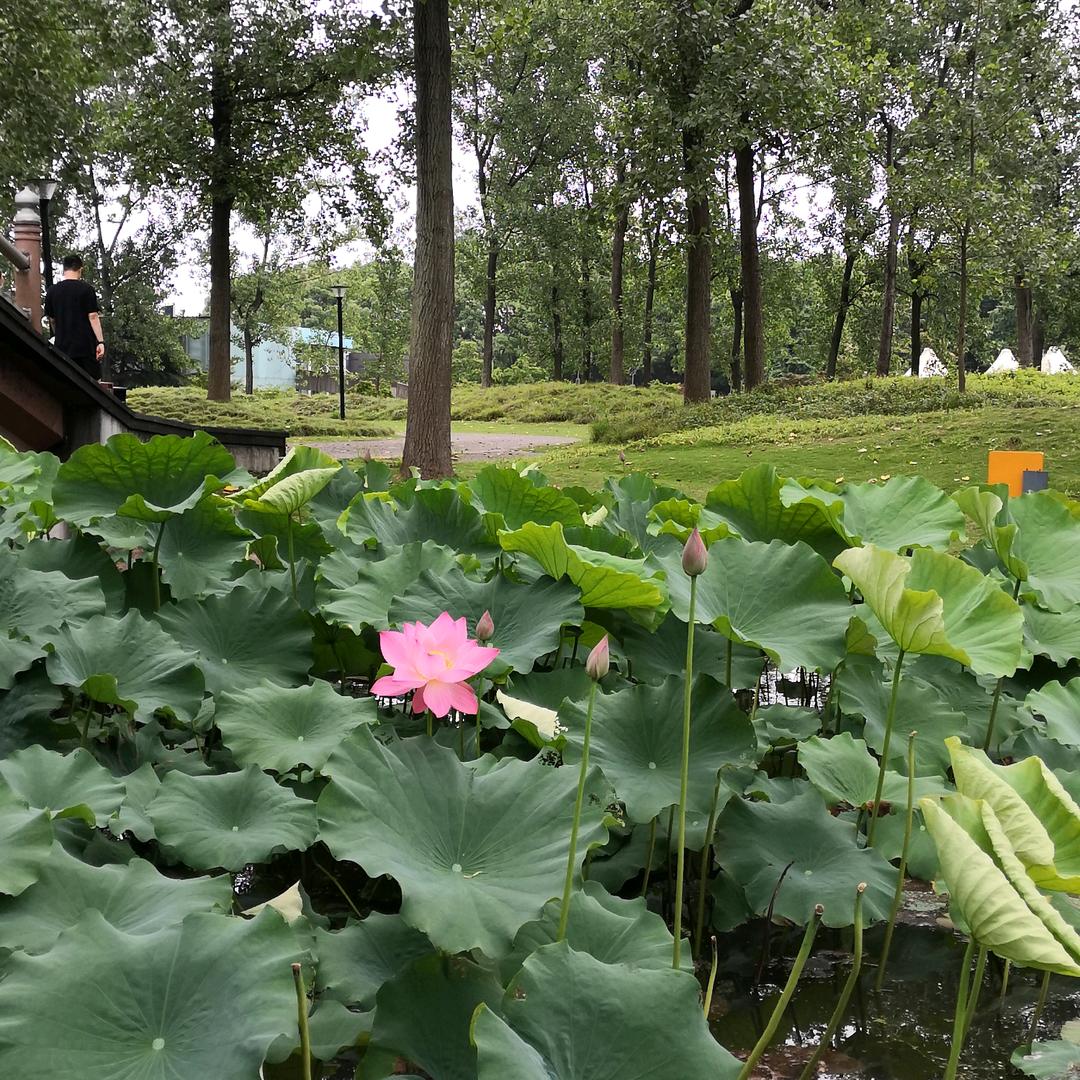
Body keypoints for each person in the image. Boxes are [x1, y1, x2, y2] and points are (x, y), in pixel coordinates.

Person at [43, 254, 105, 378]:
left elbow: (52, 319)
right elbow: (93, 316)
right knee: (90, 385)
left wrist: (58, 334)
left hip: (62, 348)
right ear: (80, 269)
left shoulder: (52, 291)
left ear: (64, 269)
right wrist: (100, 341)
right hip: (85, 348)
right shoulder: (87, 290)